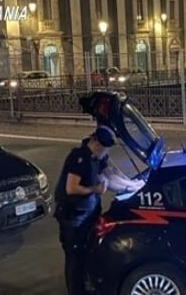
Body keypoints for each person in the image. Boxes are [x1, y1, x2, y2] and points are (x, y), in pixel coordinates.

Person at [54, 126, 144, 295]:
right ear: (95, 143)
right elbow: (71, 188)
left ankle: (86, 288)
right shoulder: (79, 157)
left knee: (86, 255)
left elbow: (111, 175)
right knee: (75, 259)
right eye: (103, 149)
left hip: (88, 215)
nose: (105, 154)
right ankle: (76, 292)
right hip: (74, 217)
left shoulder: (97, 157)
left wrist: (133, 185)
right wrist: (94, 189)